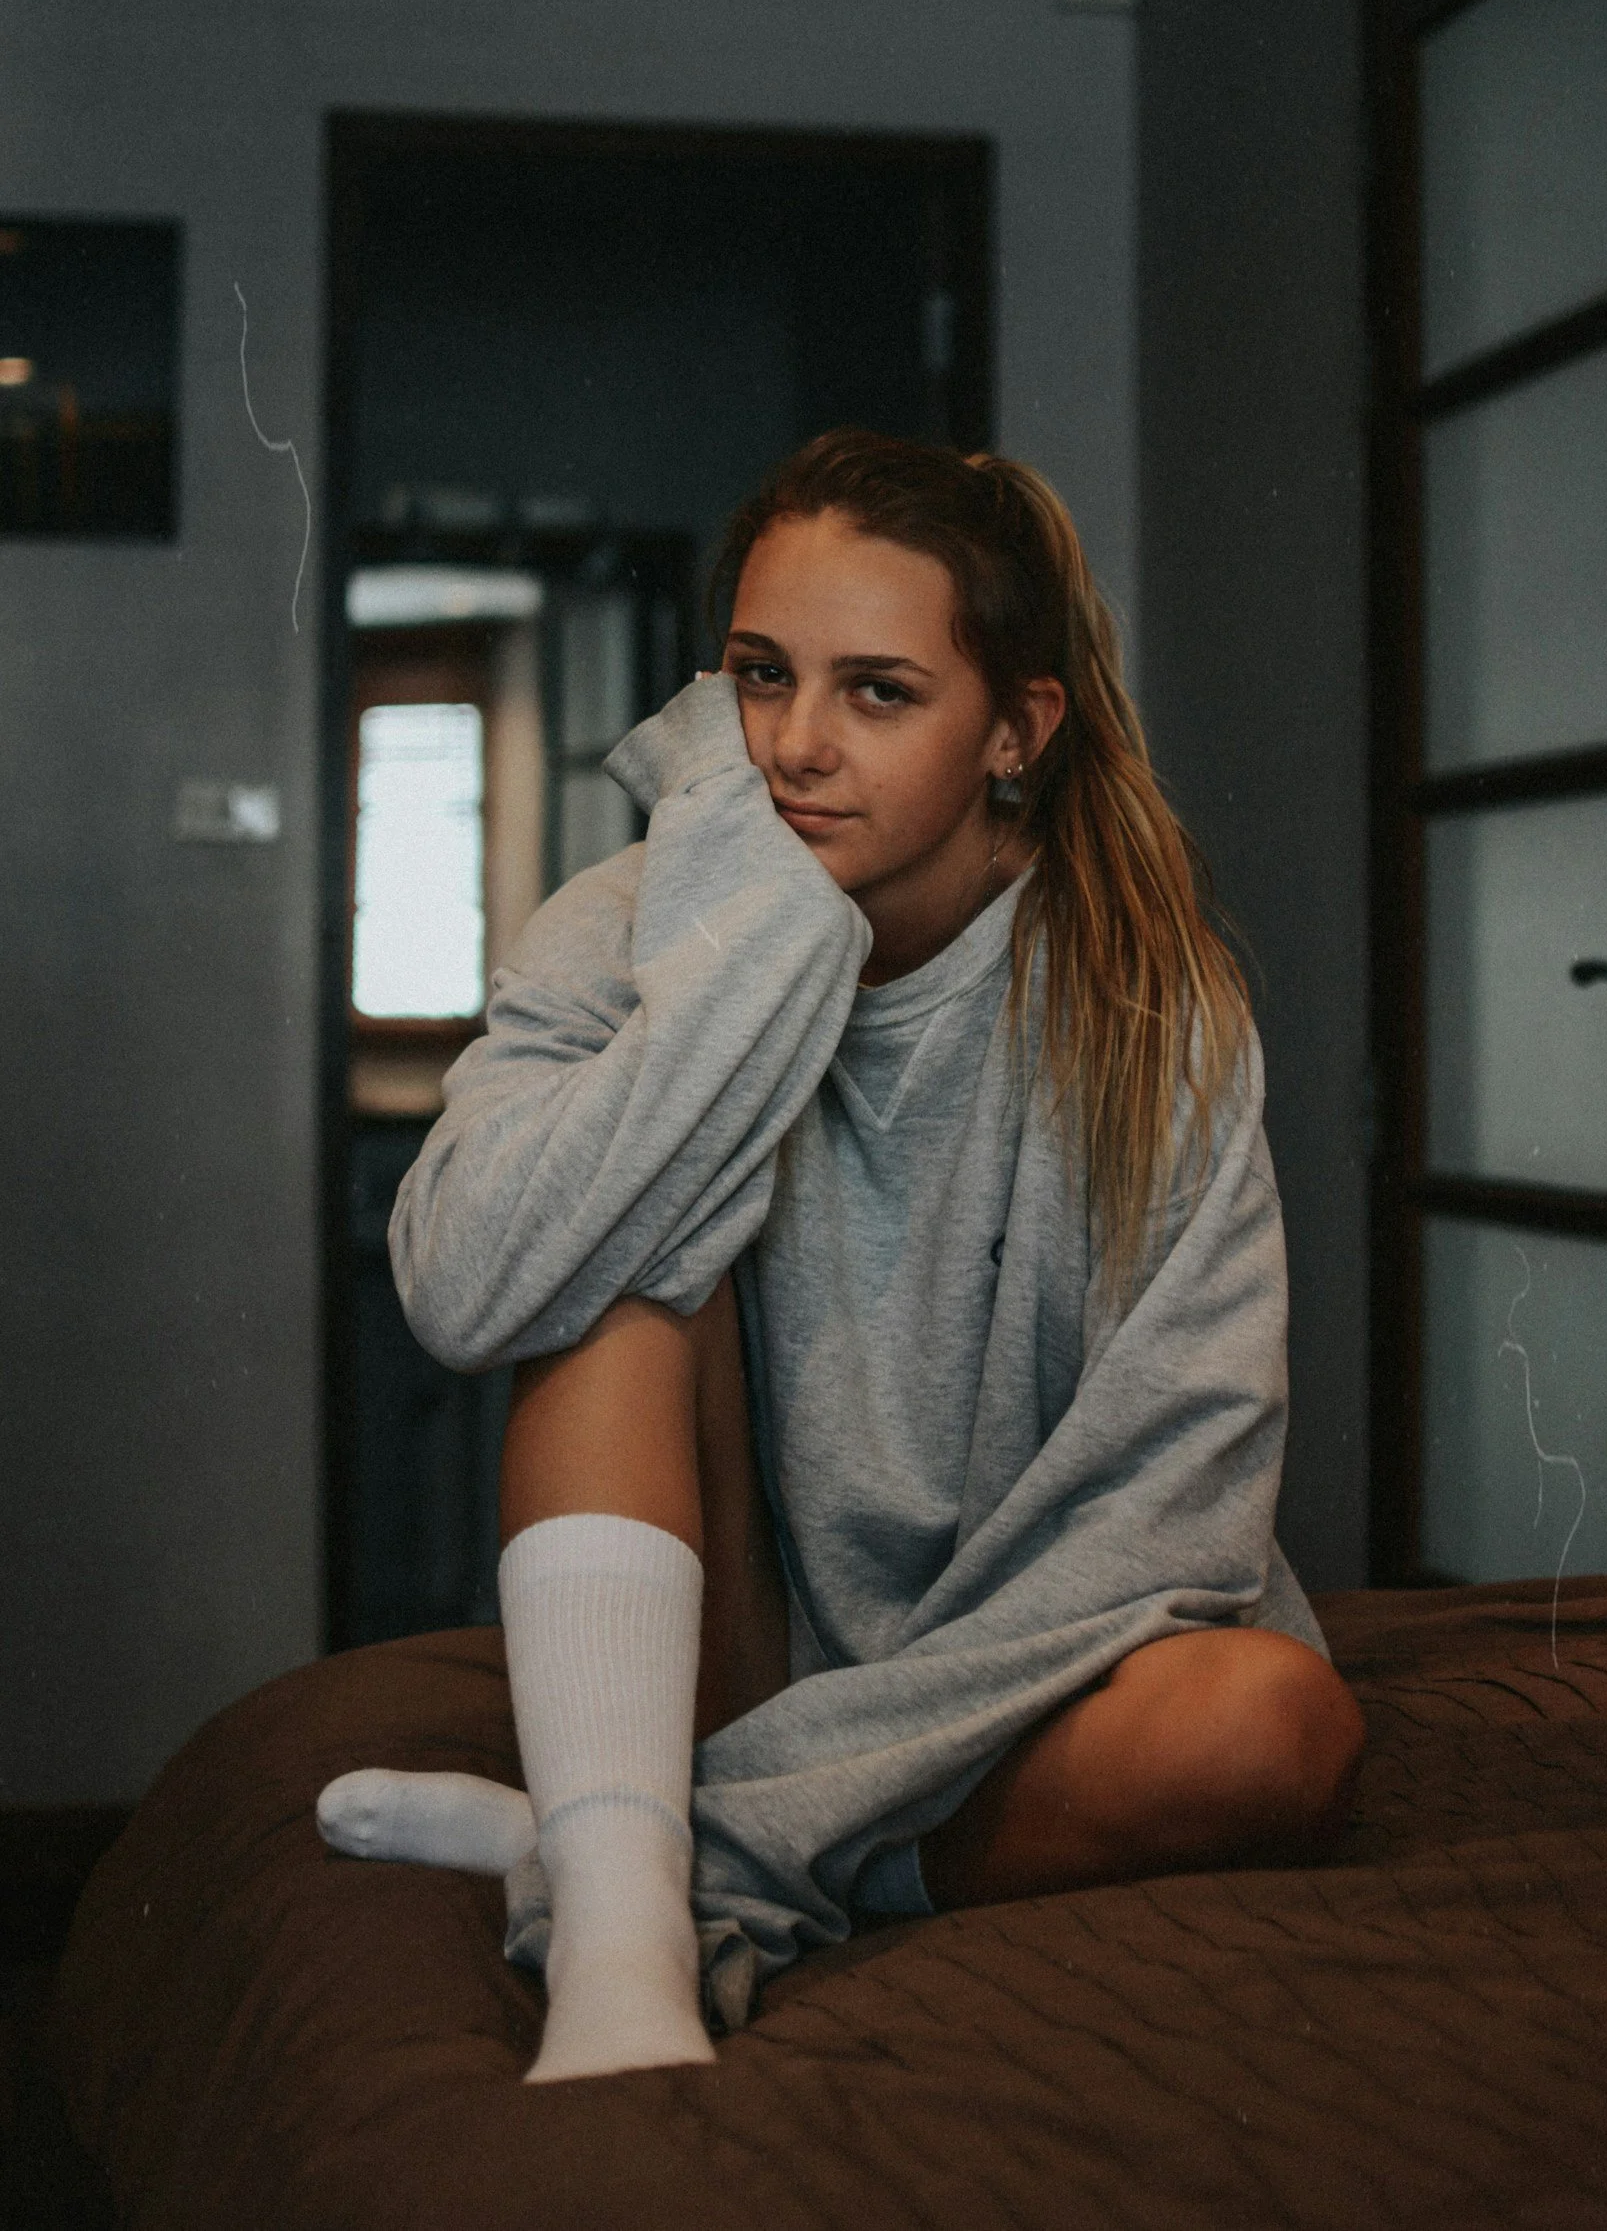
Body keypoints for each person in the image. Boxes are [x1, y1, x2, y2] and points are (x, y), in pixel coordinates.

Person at [317, 429, 1366, 2087]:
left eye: (878, 692)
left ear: (1014, 729)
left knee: (1274, 1729)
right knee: (610, 1272)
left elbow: (1178, 1494)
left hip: (1023, 1680)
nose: (795, 746)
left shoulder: (1148, 1006)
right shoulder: (623, 921)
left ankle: (619, 1845)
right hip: (732, 1648)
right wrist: (759, 940)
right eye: (759, 677)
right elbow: (465, 1287)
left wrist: (841, 1766)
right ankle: (621, 1928)